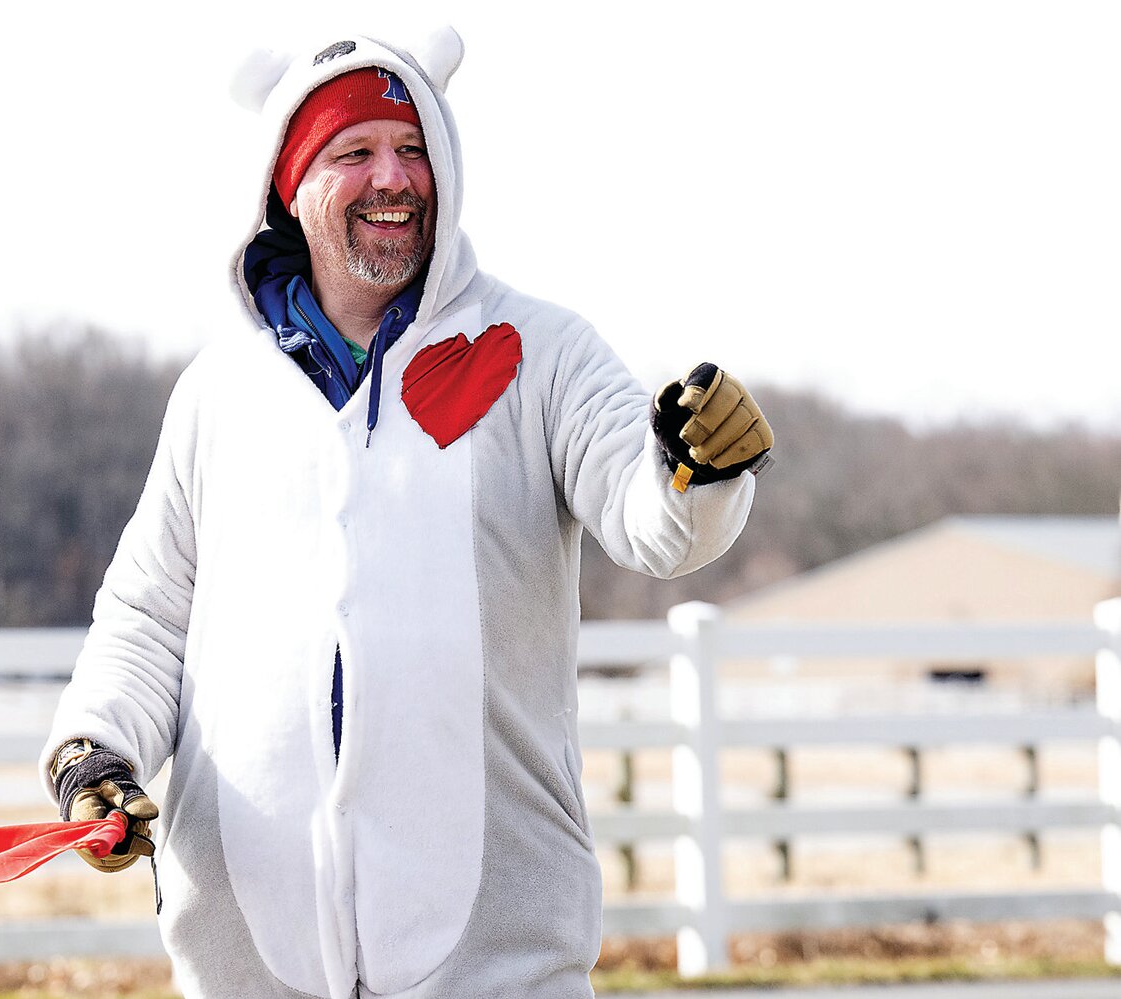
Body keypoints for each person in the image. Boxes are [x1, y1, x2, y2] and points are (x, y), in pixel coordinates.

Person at [42, 28, 772, 999]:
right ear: (291, 187)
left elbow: (652, 519)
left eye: (413, 146)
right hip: (249, 960)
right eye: (354, 153)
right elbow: (148, 613)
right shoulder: (219, 394)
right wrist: (96, 746)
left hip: (498, 963)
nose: (395, 176)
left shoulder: (539, 353)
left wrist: (698, 472)